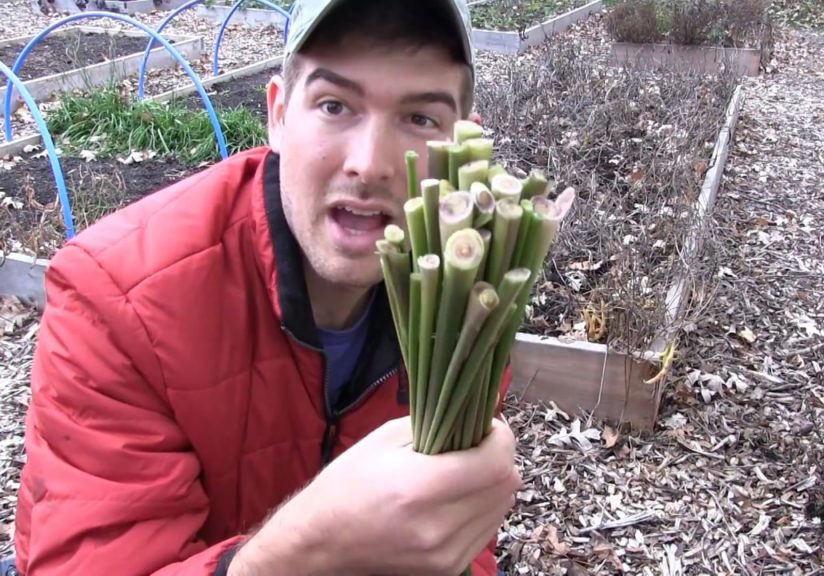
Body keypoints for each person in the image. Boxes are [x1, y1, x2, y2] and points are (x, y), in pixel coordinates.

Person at [9, 0, 523, 573]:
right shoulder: (118, 299)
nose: (370, 163)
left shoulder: (468, 303)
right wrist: (301, 552)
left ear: (464, 149)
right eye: (334, 105)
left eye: (421, 119)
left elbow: (456, 542)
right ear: (278, 115)